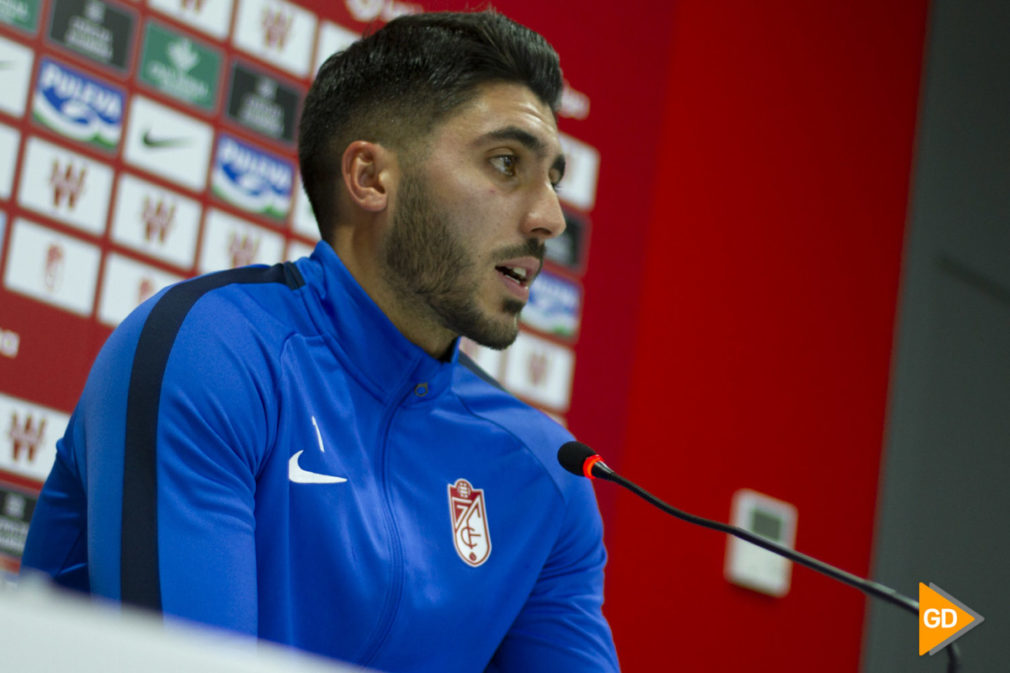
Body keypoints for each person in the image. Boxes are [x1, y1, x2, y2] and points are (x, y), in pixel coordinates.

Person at [21, 10, 619, 673]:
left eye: (554, 178)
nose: (549, 218)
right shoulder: (213, 352)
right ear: (369, 178)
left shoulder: (547, 475)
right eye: (506, 163)